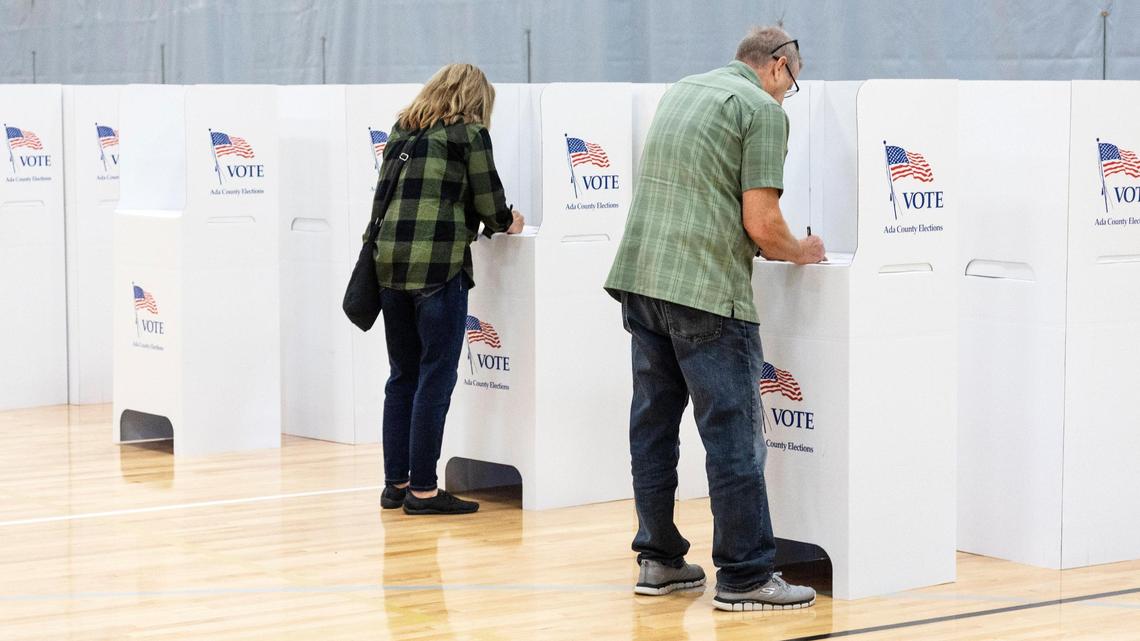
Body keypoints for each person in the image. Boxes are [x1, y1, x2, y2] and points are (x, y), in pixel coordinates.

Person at [604, 26, 825, 611]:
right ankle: (747, 576)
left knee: (652, 427)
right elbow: (762, 222)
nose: (787, 95)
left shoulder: (684, 89)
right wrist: (804, 251)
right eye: (792, 84)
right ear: (778, 67)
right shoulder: (762, 110)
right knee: (733, 436)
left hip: (642, 278)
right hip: (705, 289)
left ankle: (659, 560)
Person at [369, 63, 524, 516]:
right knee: (435, 379)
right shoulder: (469, 135)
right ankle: (422, 491)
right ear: (477, 100)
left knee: (402, 377)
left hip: (389, 268)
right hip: (437, 270)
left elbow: (381, 201)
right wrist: (509, 220)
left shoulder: (403, 131)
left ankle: (395, 485)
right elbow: (491, 205)